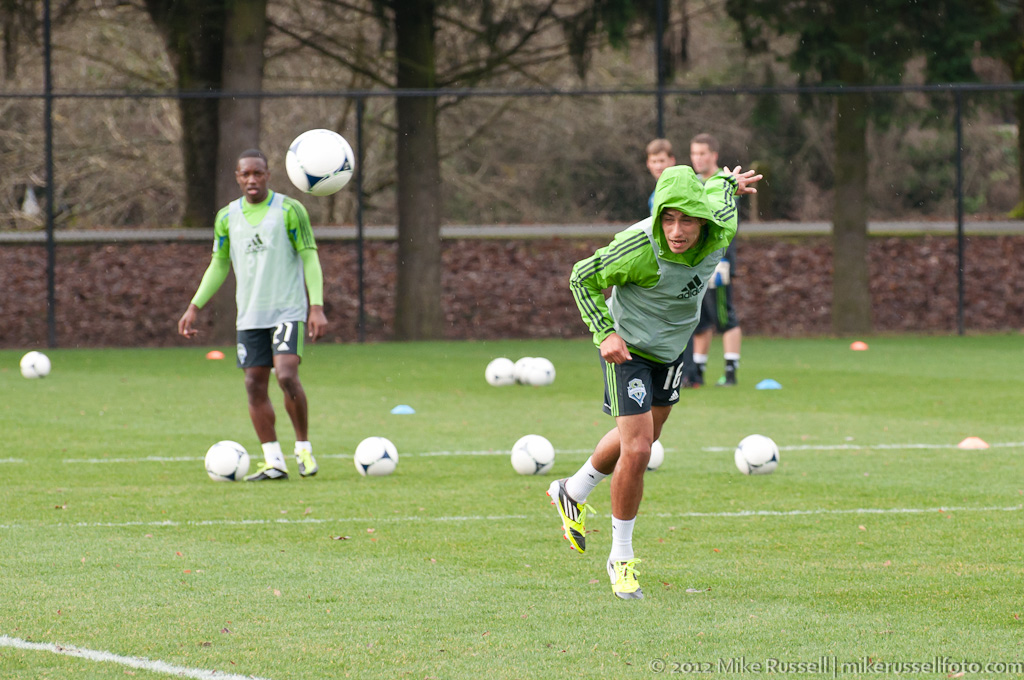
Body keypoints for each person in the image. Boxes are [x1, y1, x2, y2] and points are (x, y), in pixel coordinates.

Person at [551, 163, 761, 599]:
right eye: (668, 218)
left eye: (686, 220)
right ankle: (621, 557)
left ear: (703, 220)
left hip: (671, 350)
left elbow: (720, 190)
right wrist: (605, 333)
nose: (676, 230)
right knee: (640, 448)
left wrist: (729, 182)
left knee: (648, 434)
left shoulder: (721, 225)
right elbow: (581, 276)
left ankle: (573, 489)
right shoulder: (638, 247)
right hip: (626, 350)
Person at [177, 148, 327, 481]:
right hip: (250, 316)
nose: (252, 179)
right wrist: (194, 306)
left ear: (268, 175)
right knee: (253, 385)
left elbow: (310, 257)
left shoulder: (289, 210)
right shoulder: (227, 217)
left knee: (285, 375)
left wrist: (316, 306)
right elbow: (219, 264)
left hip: (287, 310)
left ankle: (303, 447)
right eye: (245, 174)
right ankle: (274, 462)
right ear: (237, 177)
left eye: (258, 173)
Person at [683, 133, 742, 387]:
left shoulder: (724, 181)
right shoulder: (694, 182)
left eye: (702, 153)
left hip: (719, 261)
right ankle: (698, 370)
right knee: (700, 317)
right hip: (697, 262)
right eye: (694, 153)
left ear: (714, 155)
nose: (697, 158)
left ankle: (731, 372)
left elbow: (725, 224)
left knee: (724, 315)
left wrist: (723, 260)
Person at [644, 138, 676, 215]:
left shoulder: (679, 188)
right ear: (648, 163)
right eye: (654, 161)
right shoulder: (653, 196)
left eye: (662, 161)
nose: (658, 166)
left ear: (672, 160)